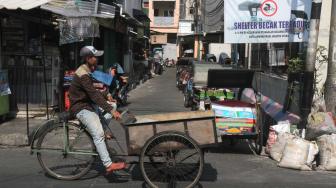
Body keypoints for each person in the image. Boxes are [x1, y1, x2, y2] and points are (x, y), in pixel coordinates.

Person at [68, 46, 126, 175]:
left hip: (89, 104)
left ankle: (101, 132)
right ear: (89, 58)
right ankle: (108, 164)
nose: (97, 59)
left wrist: (107, 96)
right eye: (95, 57)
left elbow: (94, 89)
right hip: (81, 108)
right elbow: (93, 94)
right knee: (98, 134)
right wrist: (111, 111)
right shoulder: (83, 73)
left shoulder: (88, 70)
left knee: (113, 105)